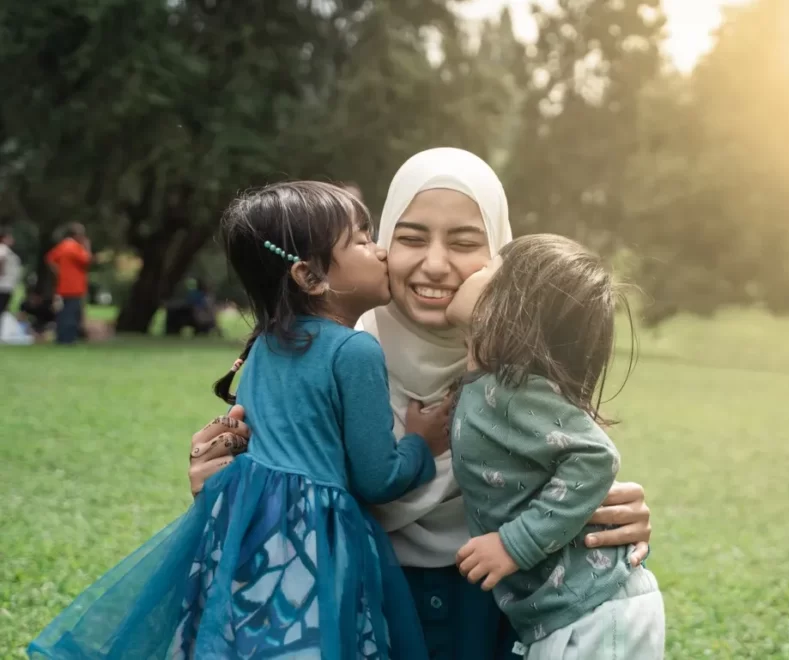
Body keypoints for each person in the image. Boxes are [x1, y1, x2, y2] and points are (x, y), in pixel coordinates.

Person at [188, 148, 653, 659]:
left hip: (500, 615)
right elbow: (272, 490)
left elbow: (583, 472)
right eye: (409, 238)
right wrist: (220, 479)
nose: (434, 264)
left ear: (500, 252)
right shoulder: (324, 357)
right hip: (355, 600)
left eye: (465, 241)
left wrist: (615, 514)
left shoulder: (528, 372)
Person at [28, 182, 452, 659]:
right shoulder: (355, 350)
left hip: (243, 524)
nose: (380, 252)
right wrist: (420, 442)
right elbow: (376, 478)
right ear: (309, 277)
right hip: (313, 535)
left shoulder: (265, 343)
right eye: (361, 240)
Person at [446, 235, 665, 659]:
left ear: (502, 307)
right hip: (571, 613)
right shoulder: (487, 388)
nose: (469, 271)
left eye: (486, 268)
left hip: (595, 610)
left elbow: (595, 457)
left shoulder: (511, 388)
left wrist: (514, 544)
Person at [45, 223, 92, 345]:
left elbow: (50, 259)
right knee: (71, 313)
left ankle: (61, 337)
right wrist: (87, 247)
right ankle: (68, 339)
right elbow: (87, 260)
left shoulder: (62, 246)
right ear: (77, 235)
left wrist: (59, 272)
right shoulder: (75, 247)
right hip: (74, 287)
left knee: (63, 313)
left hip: (63, 285)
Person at [0, 225, 20, 316]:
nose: (12, 239)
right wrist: (2, 272)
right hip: (3, 285)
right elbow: (1, 259)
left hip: (6, 285)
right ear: (4, 238)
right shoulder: (3, 248)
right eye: (10, 237)